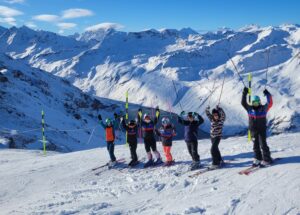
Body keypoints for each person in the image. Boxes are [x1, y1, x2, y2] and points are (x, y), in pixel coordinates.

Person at [241, 87, 273, 166]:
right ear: (252, 103)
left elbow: (270, 103)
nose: (256, 104)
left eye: (257, 102)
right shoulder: (249, 109)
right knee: (255, 145)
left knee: (263, 144)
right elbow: (243, 102)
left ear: (259, 102)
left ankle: (267, 159)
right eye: (254, 102)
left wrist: (267, 94)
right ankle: (258, 158)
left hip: (261, 130)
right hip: (253, 130)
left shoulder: (263, 109)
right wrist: (244, 93)